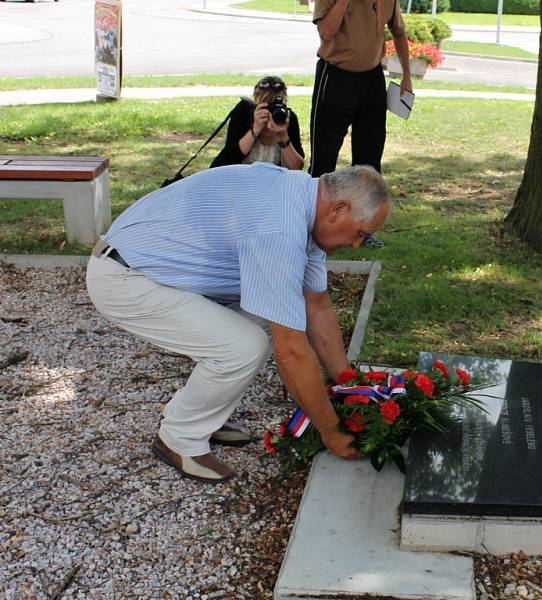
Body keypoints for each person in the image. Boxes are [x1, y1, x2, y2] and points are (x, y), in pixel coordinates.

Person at [86, 163, 391, 483]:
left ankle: (197, 413)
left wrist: (350, 387)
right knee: (244, 347)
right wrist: (332, 431)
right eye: (361, 234)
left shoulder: (302, 203)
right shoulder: (280, 227)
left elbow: (316, 309)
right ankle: (179, 439)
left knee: (271, 313)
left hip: (155, 269)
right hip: (125, 277)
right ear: (338, 210)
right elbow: (290, 351)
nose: (357, 245)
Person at [309, 0, 413, 249]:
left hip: (372, 81)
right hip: (334, 77)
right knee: (324, 158)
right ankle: (310, 226)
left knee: (370, 161)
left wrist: (406, 75)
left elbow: (398, 32)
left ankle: (363, 231)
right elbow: (325, 33)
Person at [210, 76, 304, 170]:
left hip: (273, 181)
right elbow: (226, 161)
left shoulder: (288, 118)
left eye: (276, 106)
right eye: (266, 105)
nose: (271, 112)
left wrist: (283, 136)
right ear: (256, 102)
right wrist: (255, 130)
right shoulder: (244, 113)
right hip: (241, 178)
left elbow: (297, 168)